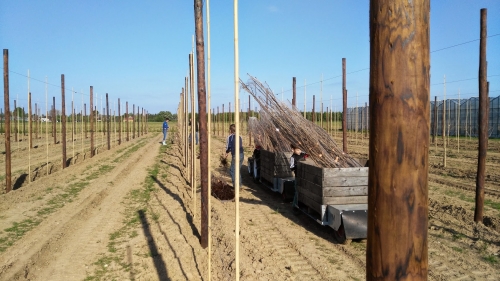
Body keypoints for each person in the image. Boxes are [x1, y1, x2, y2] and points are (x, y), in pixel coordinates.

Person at [225, 124, 244, 188]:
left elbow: (228, 147)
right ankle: (240, 185)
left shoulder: (230, 137)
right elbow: (241, 145)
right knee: (237, 170)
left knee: (233, 170)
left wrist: (227, 152)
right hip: (241, 154)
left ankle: (236, 186)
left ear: (230, 130)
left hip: (236, 155)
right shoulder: (240, 136)